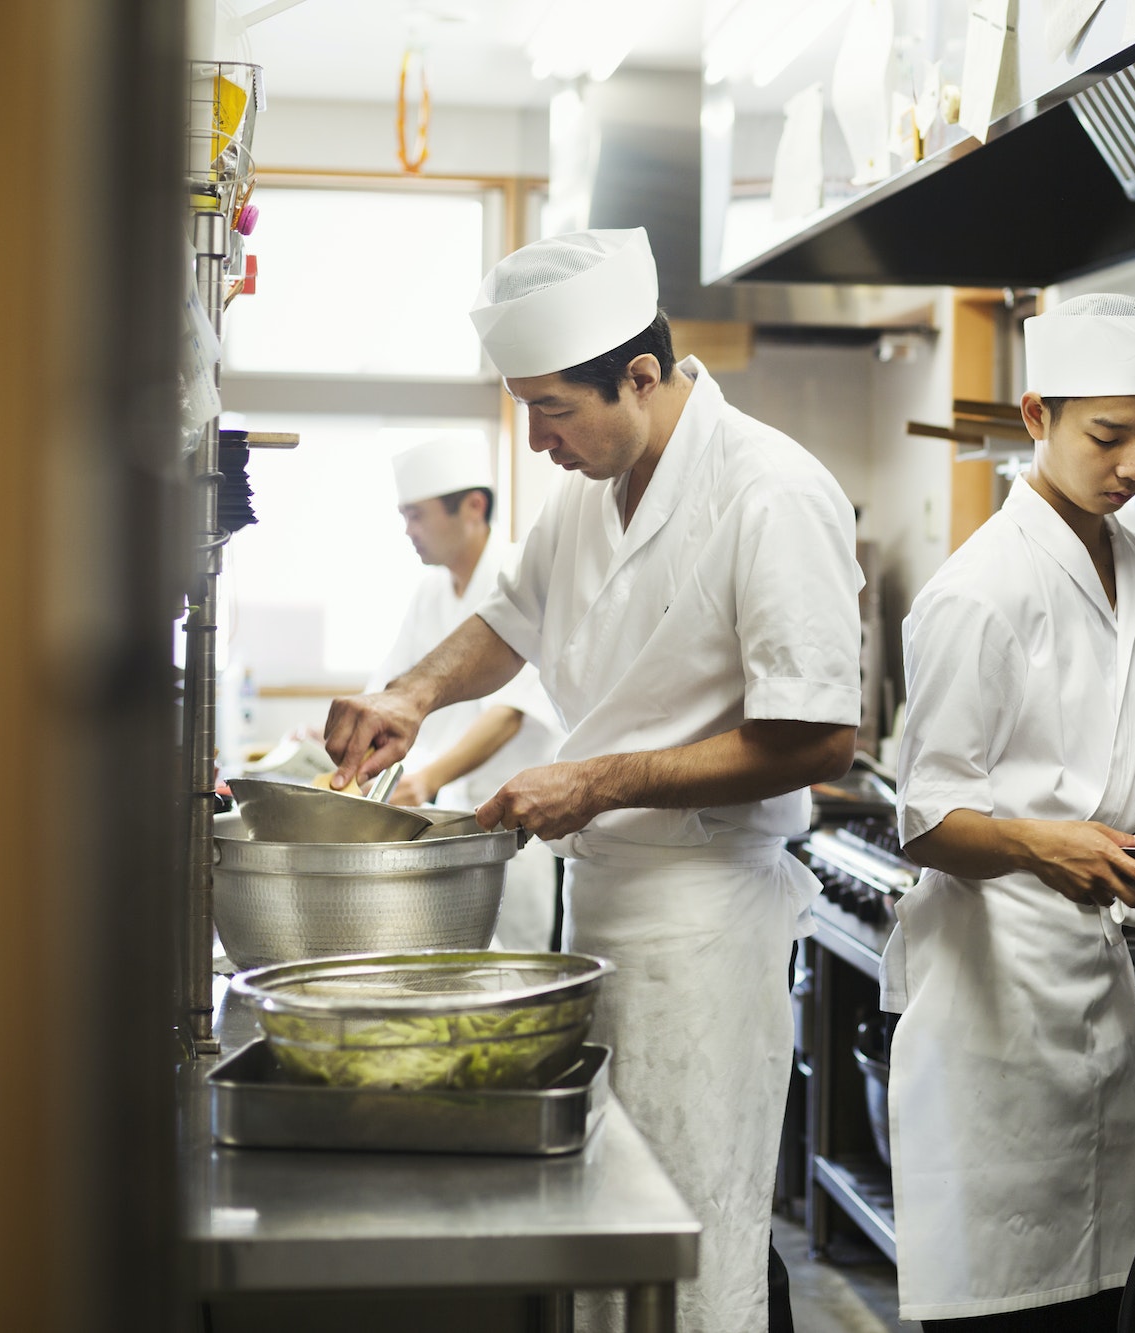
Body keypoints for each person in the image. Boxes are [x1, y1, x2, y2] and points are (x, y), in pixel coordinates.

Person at [322, 228, 863, 1333]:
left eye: (552, 411)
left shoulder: (768, 492)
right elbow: (505, 624)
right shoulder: (585, 492)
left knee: (690, 1241)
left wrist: (597, 781)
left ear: (642, 376)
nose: (536, 439)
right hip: (603, 916)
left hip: (705, 928)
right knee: (608, 1243)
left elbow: (817, 740)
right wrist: (410, 694)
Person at [882, 293, 1135, 1331]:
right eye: (1105, 436)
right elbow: (927, 816)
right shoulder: (975, 591)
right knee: (1000, 1308)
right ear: (1036, 417)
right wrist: (1040, 842)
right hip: (987, 990)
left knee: (1104, 1300)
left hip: (1092, 987)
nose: (1132, 465)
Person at [371, 434, 564, 951]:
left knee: (509, 995)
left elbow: (510, 713)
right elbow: (393, 686)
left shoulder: (519, 574)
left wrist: (427, 778)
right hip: (435, 818)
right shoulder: (430, 590)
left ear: (473, 507)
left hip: (507, 823)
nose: (408, 530)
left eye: (417, 514)